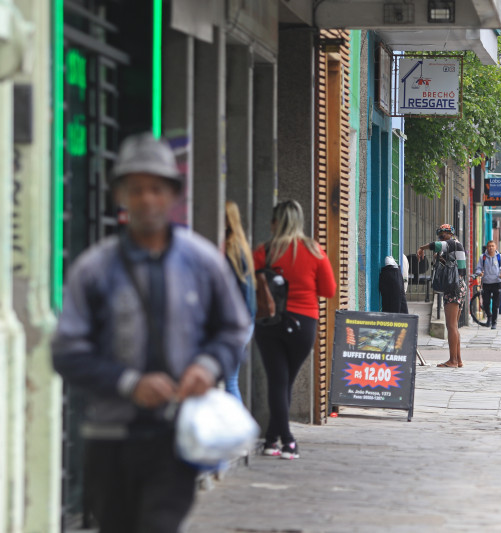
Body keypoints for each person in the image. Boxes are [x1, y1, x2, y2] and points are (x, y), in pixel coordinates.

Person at [52, 133, 251, 533]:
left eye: (156, 189)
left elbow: (235, 327)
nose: (146, 199)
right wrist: (128, 383)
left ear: (173, 194)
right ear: (120, 195)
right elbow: (67, 351)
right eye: (136, 189)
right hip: (110, 437)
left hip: (174, 435)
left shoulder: (202, 262)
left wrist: (207, 365)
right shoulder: (94, 269)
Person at [253, 200, 336, 459]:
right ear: (300, 222)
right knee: (285, 382)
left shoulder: (265, 252)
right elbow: (329, 290)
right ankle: (283, 440)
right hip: (303, 324)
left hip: (270, 323)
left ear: (275, 223)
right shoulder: (314, 251)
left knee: (278, 381)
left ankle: (274, 440)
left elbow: (251, 285)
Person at [417, 223, 467, 368]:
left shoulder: (452, 243)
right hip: (459, 286)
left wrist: (421, 248)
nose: (441, 238)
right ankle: (458, 360)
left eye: (443, 235)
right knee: (454, 326)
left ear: (450, 234)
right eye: (440, 236)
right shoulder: (455, 246)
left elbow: (435, 245)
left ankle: (453, 360)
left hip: (453, 287)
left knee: (451, 326)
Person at [224, 201, 257, 402]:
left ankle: (236, 420)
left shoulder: (231, 249)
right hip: (244, 321)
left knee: (229, 380)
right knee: (230, 379)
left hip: (237, 322)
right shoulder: (241, 246)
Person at [474, 240, 501, 329]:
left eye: (492, 246)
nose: (491, 248)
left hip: (497, 282)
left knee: (495, 305)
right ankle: (489, 317)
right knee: (486, 303)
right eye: (489, 246)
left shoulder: (500, 257)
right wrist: (479, 273)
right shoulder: (482, 257)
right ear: (487, 247)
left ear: (495, 247)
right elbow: (478, 268)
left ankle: (494, 322)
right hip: (486, 282)